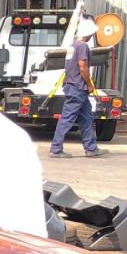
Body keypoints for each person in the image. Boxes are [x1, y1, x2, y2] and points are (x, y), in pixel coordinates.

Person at [50, 17, 104, 158]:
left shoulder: (73, 46)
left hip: (74, 86)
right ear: (88, 34)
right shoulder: (82, 47)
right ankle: (56, 149)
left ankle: (91, 148)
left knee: (86, 118)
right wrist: (90, 84)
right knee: (66, 119)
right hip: (78, 87)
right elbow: (83, 67)